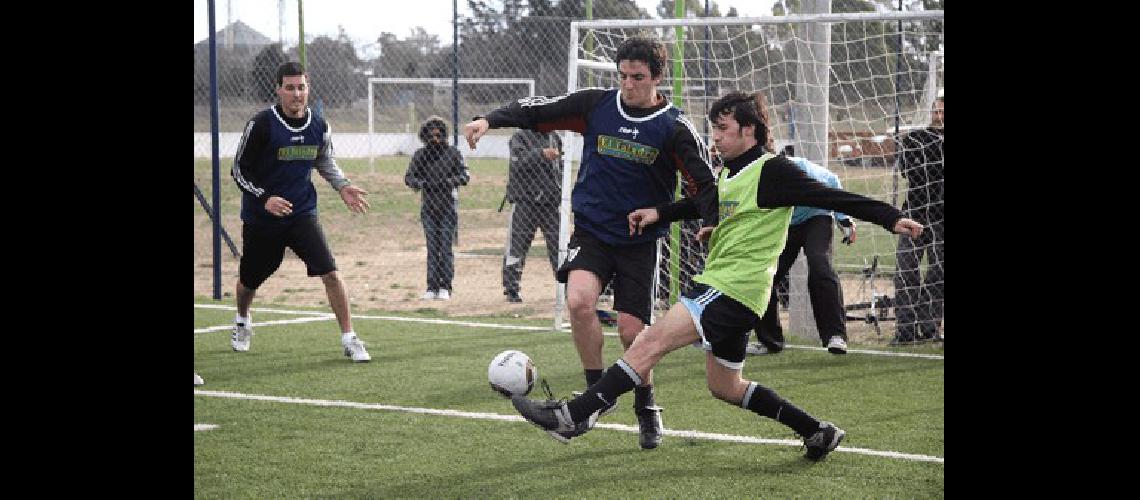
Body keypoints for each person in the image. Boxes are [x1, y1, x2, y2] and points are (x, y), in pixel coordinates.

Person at [507, 90, 923, 459]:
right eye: (714, 129)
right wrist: (661, 213)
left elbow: (833, 196)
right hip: (738, 293)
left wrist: (889, 217)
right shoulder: (731, 171)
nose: (715, 138)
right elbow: (708, 204)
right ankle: (816, 431)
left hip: (730, 288)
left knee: (649, 340)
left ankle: (574, 415)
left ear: (750, 131)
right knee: (725, 385)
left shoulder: (773, 171)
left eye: (723, 129)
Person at [464, 36, 719, 449]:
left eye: (637, 77)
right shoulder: (596, 105)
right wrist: (487, 121)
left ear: (657, 77)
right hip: (592, 231)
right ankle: (596, 396)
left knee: (632, 330)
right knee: (579, 302)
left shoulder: (674, 128)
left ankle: (646, 404)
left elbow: (705, 187)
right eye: (622, 75)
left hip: (640, 241)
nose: (628, 84)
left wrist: (705, 221)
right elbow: (537, 110)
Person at [229, 61, 372, 363]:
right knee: (250, 281)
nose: (297, 94)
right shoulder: (262, 124)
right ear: (278, 89)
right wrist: (264, 197)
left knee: (331, 272)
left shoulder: (319, 125)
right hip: (262, 219)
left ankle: (350, 338)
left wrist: (342, 186)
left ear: (308, 88)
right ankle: (242, 320)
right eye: (290, 88)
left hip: (302, 214)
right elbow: (239, 169)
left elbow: (324, 160)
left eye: (301, 87)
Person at [747, 145, 857, 356]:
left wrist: (844, 219)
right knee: (764, 274)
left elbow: (832, 181)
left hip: (816, 216)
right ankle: (770, 341)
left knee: (819, 263)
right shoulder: (754, 178)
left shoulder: (802, 169)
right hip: (786, 223)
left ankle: (836, 336)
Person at [892, 95, 944, 344]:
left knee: (938, 274)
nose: (939, 116)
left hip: (942, 219)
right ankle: (904, 330)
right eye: (937, 111)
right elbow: (908, 171)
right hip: (914, 214)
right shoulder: (916, 138)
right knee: (906, 272)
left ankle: (929, 327)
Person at [405, 116, 470, 301]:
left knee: (445, 248)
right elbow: (409, 177)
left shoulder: (453, 153)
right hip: (428, 208)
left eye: (439, 135)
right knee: (432, 248)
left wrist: (447, 182)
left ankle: (445, 287)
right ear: (425, 136)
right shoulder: (420, 155)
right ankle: (431, 287)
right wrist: (423, 184)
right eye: (431, 135)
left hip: (448, 207)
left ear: (444, 134)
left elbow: (465, 175)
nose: (435, 139)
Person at [502, 129, 563, 303]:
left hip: (550, 203)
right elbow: (518, 163)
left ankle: (564, 287)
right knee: (517, 246)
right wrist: (541, 154)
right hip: (525, 201)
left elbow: (560, 168)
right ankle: (511, 289)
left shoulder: (554, 137)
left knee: (559, 246)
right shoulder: (519, 137)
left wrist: (558, 193)